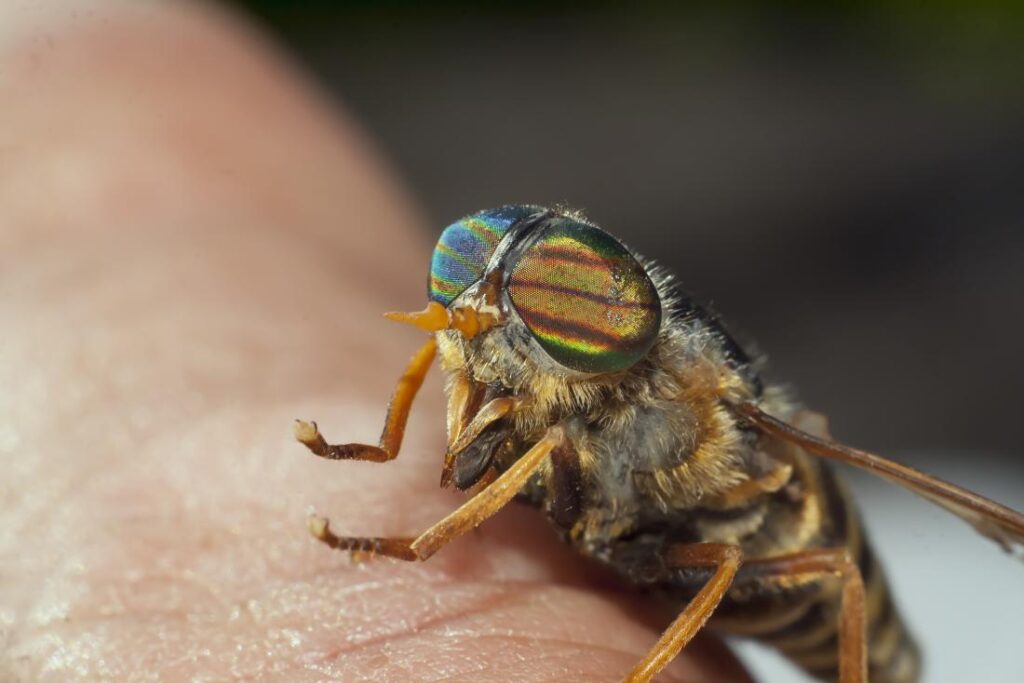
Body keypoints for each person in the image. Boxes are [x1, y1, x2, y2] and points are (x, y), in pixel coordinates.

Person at [0, 2, 752, 681]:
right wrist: (382, 448)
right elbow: (454, 352)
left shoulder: (650, 397)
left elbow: (720, 550)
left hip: (759, 544)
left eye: (552, 299)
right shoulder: (527, 372)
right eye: (467, 278)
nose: (482, 311)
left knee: (758, 560)